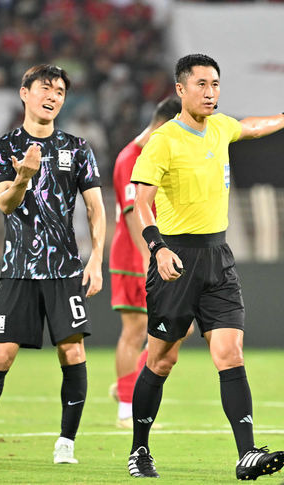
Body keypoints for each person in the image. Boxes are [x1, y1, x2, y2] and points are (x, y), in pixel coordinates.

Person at [126, 53, 284, 480]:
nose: (211, 93)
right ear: (181, 89)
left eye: (216, 85)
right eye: (202, 85)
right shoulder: (164, 141)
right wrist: (157, 249)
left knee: (230, 353)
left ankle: (247, 453)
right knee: (161, 360)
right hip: (175, 260)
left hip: (218, 259)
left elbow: (250, 127)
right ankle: (139, 449)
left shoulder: (221, 126)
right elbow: (141, 203)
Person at [0, 64, 105, 466]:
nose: (53, 96)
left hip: (65, 270)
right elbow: (5, 203)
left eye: (60, 91)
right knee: (1, 355)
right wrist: (24, 176)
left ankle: (66, 444)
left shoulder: (77, 148)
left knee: (73, 354)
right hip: (19, 268)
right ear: (24, 93)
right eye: (45, 88)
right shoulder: (3, 147)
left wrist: (96, 259)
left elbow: (97, 209)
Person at [108, 96, 183, 428]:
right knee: (135, 330)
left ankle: (124, 386)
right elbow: (133, 216)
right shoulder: (131, 157)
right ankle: (126, 408)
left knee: (177, 330)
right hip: (134, 257)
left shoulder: (155, 155)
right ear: (164, 124)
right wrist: (148, 262)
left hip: (157, 254)